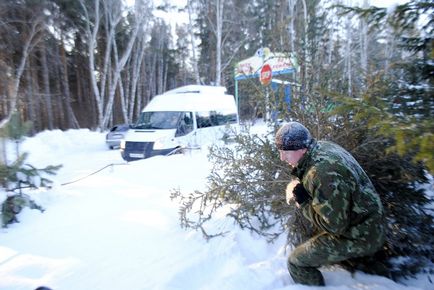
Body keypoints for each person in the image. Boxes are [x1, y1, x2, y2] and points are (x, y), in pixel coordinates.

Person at [275, 121, 385, 286]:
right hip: (369, 221)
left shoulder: (321, 173)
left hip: (363, 234)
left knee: (295, 262)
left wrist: (303, 203)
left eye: (286, 152)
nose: (282, 158)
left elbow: (335, 227)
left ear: (302, 149)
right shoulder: (322, 147)